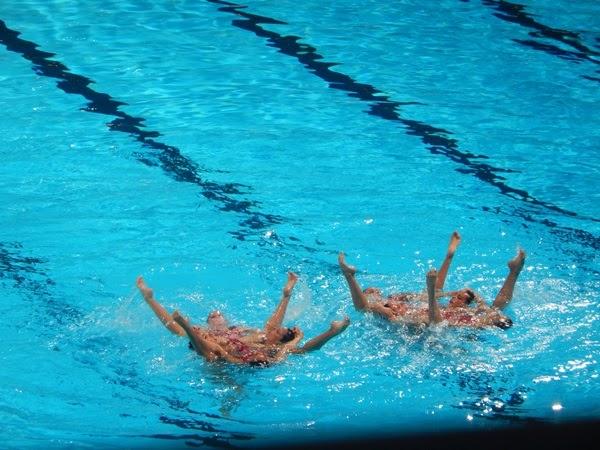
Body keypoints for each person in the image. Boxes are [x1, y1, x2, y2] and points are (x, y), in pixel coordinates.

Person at [136, 272, 350, 366]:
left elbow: (272, 329)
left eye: (217, 315)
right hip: (223, 349)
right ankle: (150, 299)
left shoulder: (247, 333)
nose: (215, 315)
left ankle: (330, 330)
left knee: (212, 354)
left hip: (227, 358)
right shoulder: (226, 330)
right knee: (205, 345)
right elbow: (273, 328)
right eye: (213, 316)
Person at [338, 231, 526, 329]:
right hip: (433, 316)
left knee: (365, 309)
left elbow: (433, 322)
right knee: (493, 310)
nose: (375, 291)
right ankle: (513, 272)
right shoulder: (467, 312)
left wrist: (431, 291)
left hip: (430, 321)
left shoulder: (470, 322)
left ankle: (350, 276)